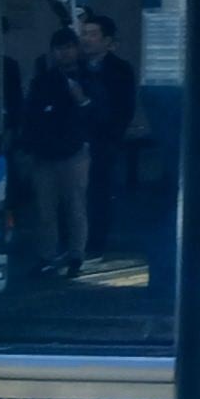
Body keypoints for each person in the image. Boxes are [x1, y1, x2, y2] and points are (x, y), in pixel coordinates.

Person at [10, 42, 92, 278]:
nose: (63, 52)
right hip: (45, 152)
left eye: (68, 47)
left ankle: (76, 255)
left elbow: (95, 114)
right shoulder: (43, 81)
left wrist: (82, 100)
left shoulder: (86, 79)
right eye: (59, 48)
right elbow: (31, 114)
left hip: (73, 150)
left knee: (74, 206)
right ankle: (47, 255)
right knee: (46, 209)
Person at [74, 14, 142, 257]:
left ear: (107, 40)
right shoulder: (75, 67)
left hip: (104, 140)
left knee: (99, 192)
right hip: (74, 139)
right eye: (84, 33)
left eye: (93, 34)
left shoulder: (120, 69)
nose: (87, 40)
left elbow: (124, 108)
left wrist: (112, 135)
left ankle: (96, 241)